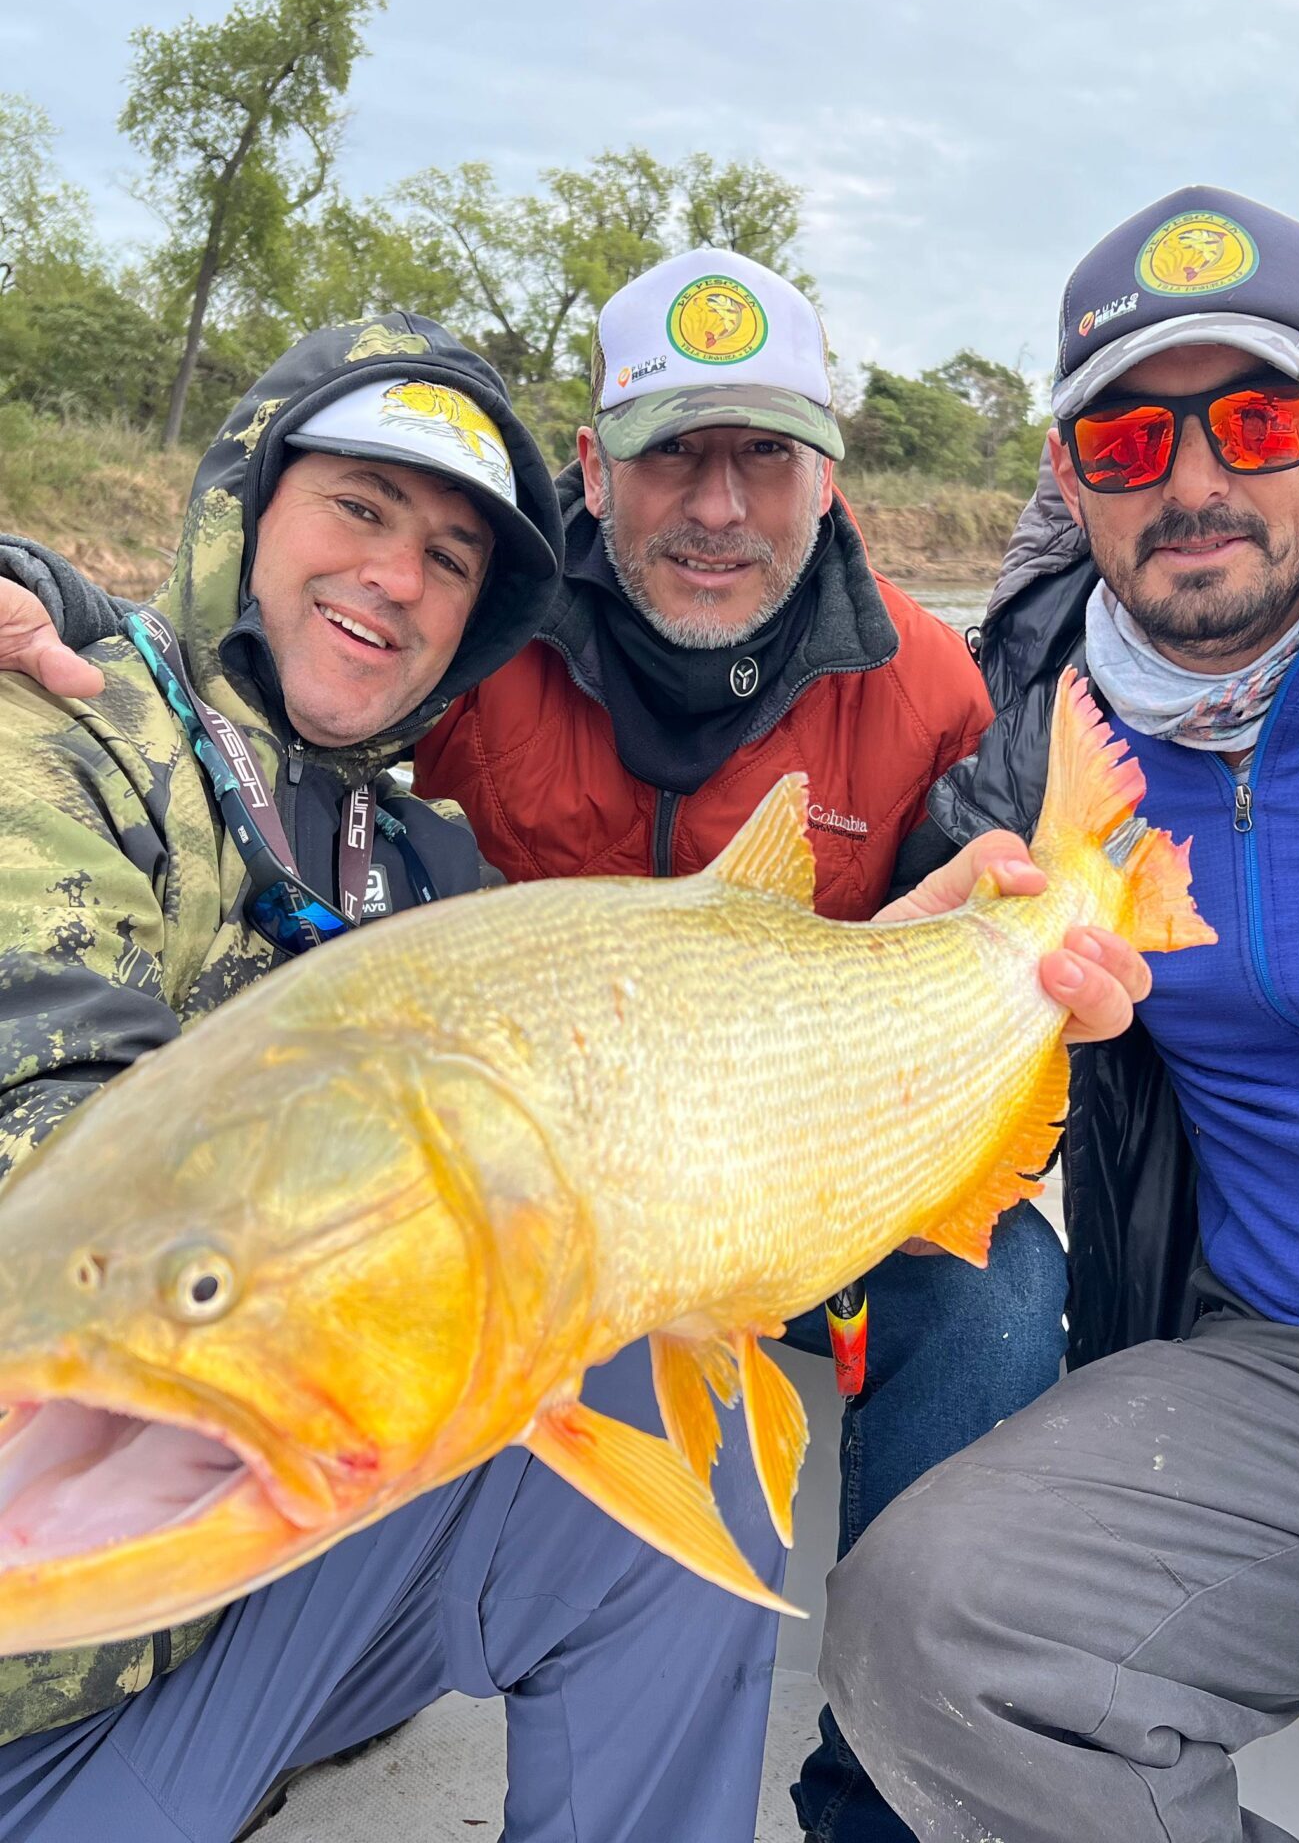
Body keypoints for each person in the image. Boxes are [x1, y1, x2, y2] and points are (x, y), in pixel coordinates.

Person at [0, 308, 1142, 1840]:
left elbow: (944, 872)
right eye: (354, 508)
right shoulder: (116, 717)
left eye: (765, 458)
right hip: (574, 1189)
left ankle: (889, 1781)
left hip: (777, 1147)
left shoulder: (928, 681)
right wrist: (57, 586)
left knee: (984, 1294)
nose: (720, 506)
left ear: (830, 483)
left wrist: (964, 966)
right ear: (598, 477)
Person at [820, 187, 1299, 1843]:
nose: (1194, 485)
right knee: (924, 1627)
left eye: (1256, 418)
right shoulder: (1041, 756)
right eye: (1126, 441)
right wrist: (941, 988)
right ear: (1066, 478)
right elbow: (850, 1024)